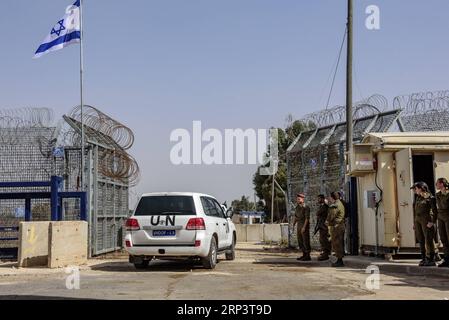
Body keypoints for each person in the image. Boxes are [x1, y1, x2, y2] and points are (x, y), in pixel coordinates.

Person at [411, 182, 438, 267]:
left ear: (422, 188)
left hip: (426, 219)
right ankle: (424, 258)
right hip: (418, 220)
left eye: (416, 189)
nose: (415, 191)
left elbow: (435, 211)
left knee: (428, 239)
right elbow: (416, 211)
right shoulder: (418, 198)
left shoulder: (430, 197)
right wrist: (415, 222)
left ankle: (431, 259)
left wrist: (432, 221)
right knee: (421, 239)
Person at [326, 192, 346, 267]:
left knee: (337, 243)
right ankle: (339, 259)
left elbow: (331, 216)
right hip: (340, 225)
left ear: (332, 197)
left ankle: (339, 261)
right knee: (339, 242)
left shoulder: (335, 205)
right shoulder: (340, 203)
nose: (329, 199)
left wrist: (327, 221)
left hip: (337, 226)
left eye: (330, 197)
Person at [293, 193, 311, 261]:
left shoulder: (306, 207)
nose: (297, 200)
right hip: (299, 225)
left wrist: (304, 227)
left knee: (305, 240)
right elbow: (296, 216)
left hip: (304, 225)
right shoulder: (297, 207)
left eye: (299, 199)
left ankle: (308, 255)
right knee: (300, 240)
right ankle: (304, 254)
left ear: (303, 199)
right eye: (297, 199)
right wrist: (294, 223)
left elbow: (307, 218)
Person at [435, 178, 449, 267]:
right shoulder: (438, 194)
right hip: (440, 218)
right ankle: (447, 260)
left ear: (442, 184)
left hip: (448, 216)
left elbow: (445, 205)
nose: (436, 185)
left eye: (437, 183)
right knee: (443, 239)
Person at [314, 194, 331, 261]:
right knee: (322, 239)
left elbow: (317, 213)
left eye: (319, 199)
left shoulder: (325, 206)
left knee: (324, 240)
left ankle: (325, 254)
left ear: (322, 199)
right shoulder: (322, 206)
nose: (318, 200)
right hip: (321, 225)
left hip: (324, 226)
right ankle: (325, 252)